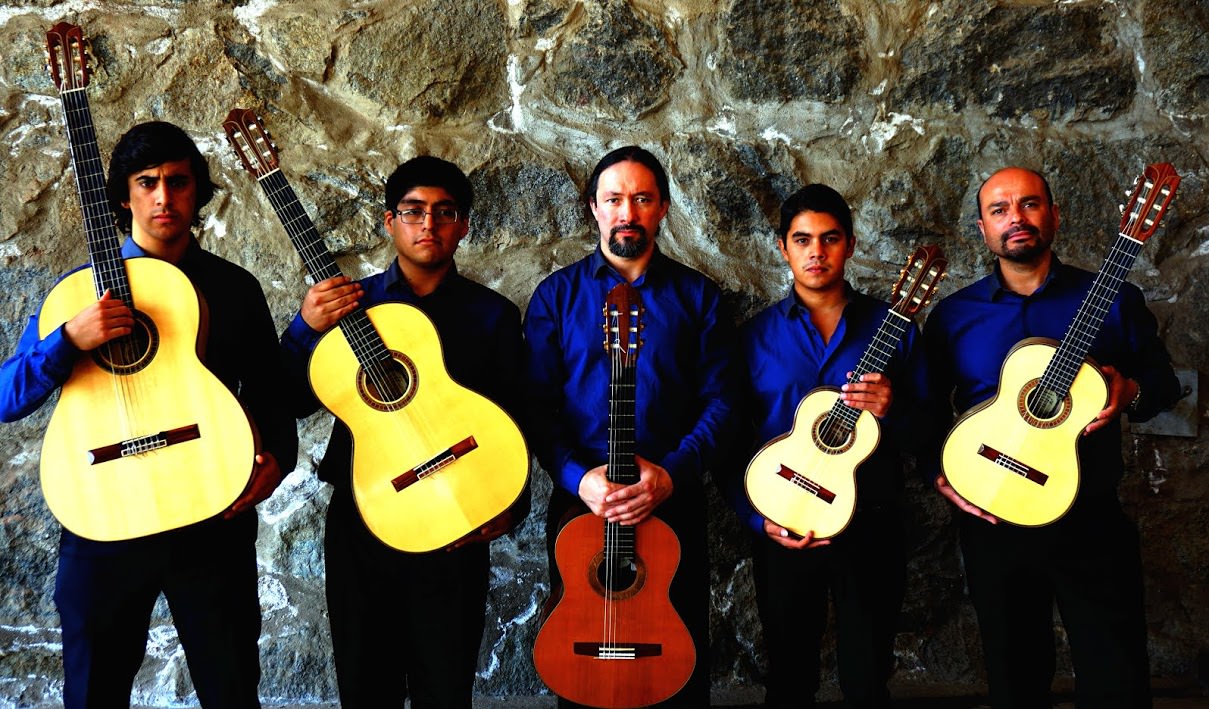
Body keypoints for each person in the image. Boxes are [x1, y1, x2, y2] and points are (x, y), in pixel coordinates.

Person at [0, 121, 298, 707]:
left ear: (198, 192)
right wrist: (68, 339)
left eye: (179, 182)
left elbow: (270, 391)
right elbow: (9, 398)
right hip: (102, 510)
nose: (164, 198)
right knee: (94, 691)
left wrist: (277, 462)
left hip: (210, 511)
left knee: (231, 684)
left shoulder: (235, 289)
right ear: (122, 195)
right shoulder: (77, 293)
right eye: (147, 182)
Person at [924, 166, 1181, 708]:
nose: (1015, 218)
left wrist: (1128, 390)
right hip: (994, 520)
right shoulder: (952, 316)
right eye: (999, 209)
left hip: (1090, 517)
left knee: (1117, 680)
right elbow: (921, 411)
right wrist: (938, 473)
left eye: (1029, 204)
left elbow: (1162, 384)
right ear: (982, 228)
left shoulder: (1113, 297)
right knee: (1015, 681)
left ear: (1054, 215)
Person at [279, 155, 525, 708]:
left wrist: (511, 504)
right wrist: (302, 328)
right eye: (413, 212)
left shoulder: (494, 317)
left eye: (444, 213)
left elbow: (517, 418)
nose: (428, 225)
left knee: (446, 683)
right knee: (366, 683)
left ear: (463, 224)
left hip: (457, 514)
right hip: (365, 512)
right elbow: (290, 400)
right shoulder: (346, 308)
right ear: (390, 222)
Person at [522, 145, 735, 706]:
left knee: (676, 663)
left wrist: (671, 474)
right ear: (593, 207)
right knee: (583, 661)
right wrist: (578, 478)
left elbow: (722, 402)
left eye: (641, 199)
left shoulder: (699, 298)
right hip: (580, 506)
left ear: (662, 207)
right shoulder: (556, 297)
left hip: (671, 499)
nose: (627, 213)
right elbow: (536, 406)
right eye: (614, 199)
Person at [726, 184, 927, 707]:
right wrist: (756, 519)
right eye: (803, 240)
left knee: (868, 678)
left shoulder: (895, 328)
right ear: (783, 248)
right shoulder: (753, 339)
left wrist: (894, 408)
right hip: (784, 521)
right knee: (789, 679)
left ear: (851, 246)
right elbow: (729, 441)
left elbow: (934, 430)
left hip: (873, 522)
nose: (817, 251)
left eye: (830, 239)